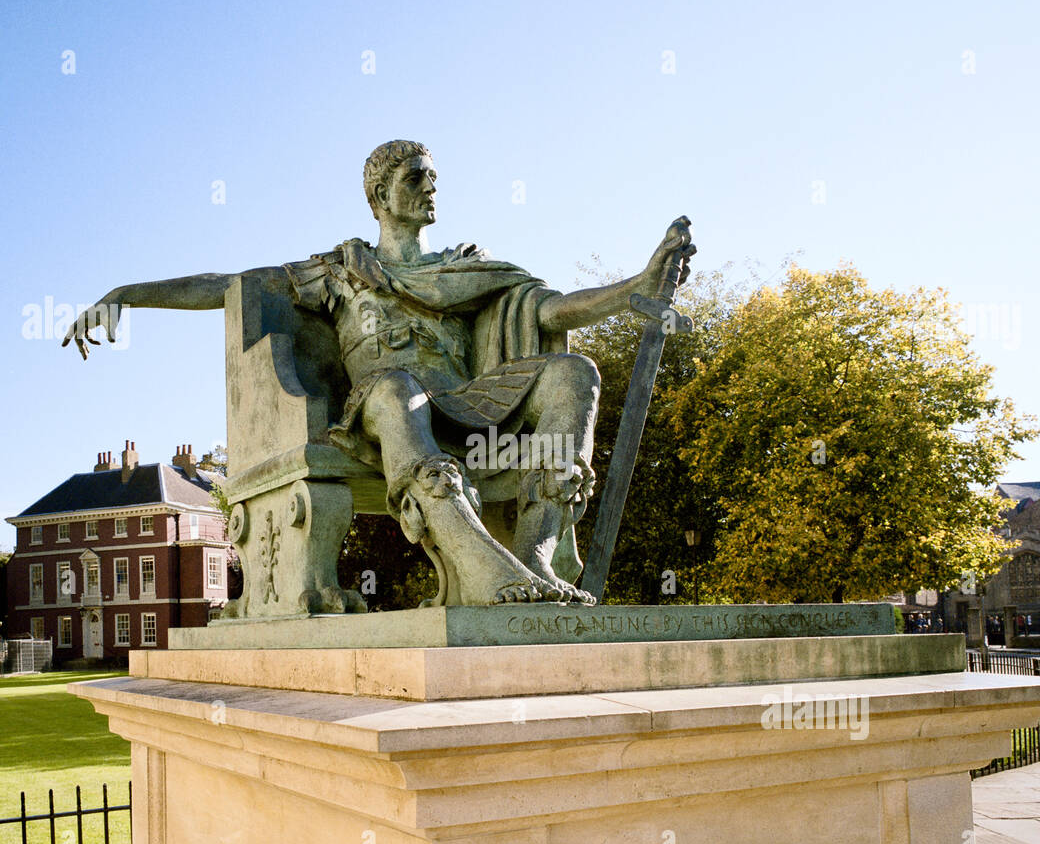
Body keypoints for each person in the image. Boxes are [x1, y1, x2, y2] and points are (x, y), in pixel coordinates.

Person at [64, 140, 694, 606]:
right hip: (379, 405)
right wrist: (126, 292)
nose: (431, 188)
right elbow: (228, 286)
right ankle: (478, 563)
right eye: (417, 178)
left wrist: (634, 287)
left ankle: (533, 554)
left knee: (573, 373)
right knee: (399, 390)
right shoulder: (340, 269)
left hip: (470, 403)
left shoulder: (464, 267)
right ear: (380, 195)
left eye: (434, 178)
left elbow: (545, 308)